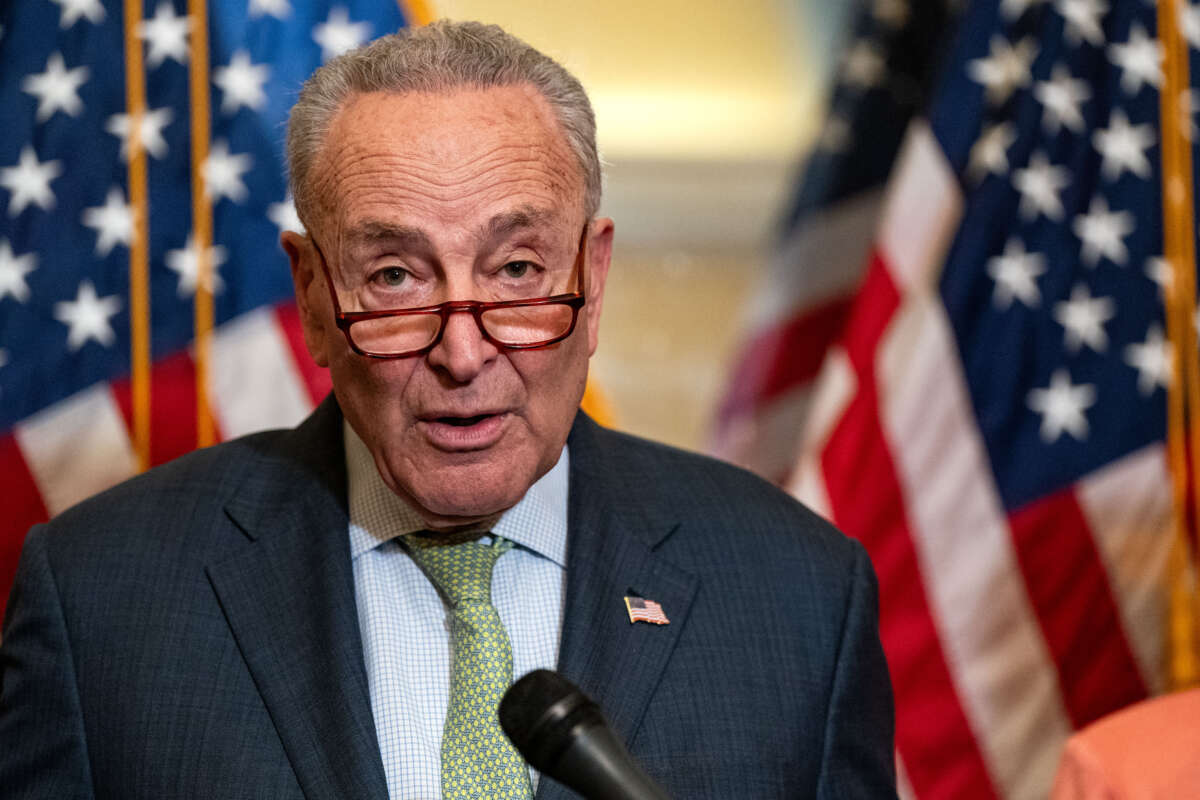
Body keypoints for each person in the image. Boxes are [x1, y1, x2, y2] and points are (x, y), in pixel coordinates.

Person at [0, 20, 896, 799]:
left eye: (516, 271)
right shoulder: (101, 601)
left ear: (594, 275)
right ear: (313, 297)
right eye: (394, 277)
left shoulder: (797, 597)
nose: (463, 354)